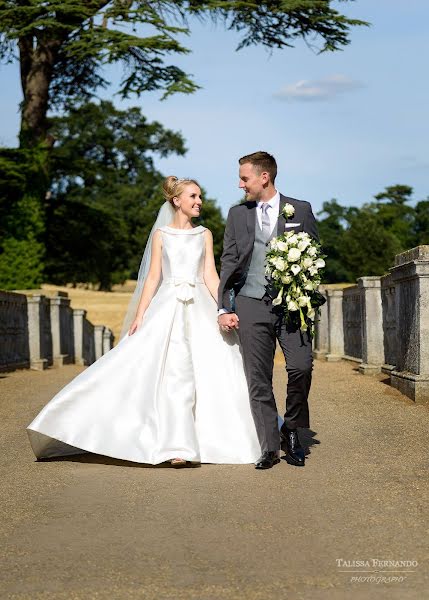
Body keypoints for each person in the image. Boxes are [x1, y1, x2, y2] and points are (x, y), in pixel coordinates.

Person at [27, 176, 260, 466]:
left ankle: (217, 439)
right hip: (168, 306)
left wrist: (223, 308)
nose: (199, 201)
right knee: (170, 372)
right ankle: (176, 446)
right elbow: (152, 278)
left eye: (200, 196)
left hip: (199, 304)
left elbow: (210, 275)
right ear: (177, 201)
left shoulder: (204, 234)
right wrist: (140, 316)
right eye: (193, 196)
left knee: (214, 366)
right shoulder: (161, 234)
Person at [218, 152, 319, 470]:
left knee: (301, 367)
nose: (240, 184)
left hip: (292, 305)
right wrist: (224, 305)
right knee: (258, 378)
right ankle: (269, 447)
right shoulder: (236, 214)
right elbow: (229, 260)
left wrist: (305, 292)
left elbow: (313, 255)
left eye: (244, 178)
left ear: (264, 177)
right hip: (250, 302)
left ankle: (291, 428)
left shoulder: (300, 209)